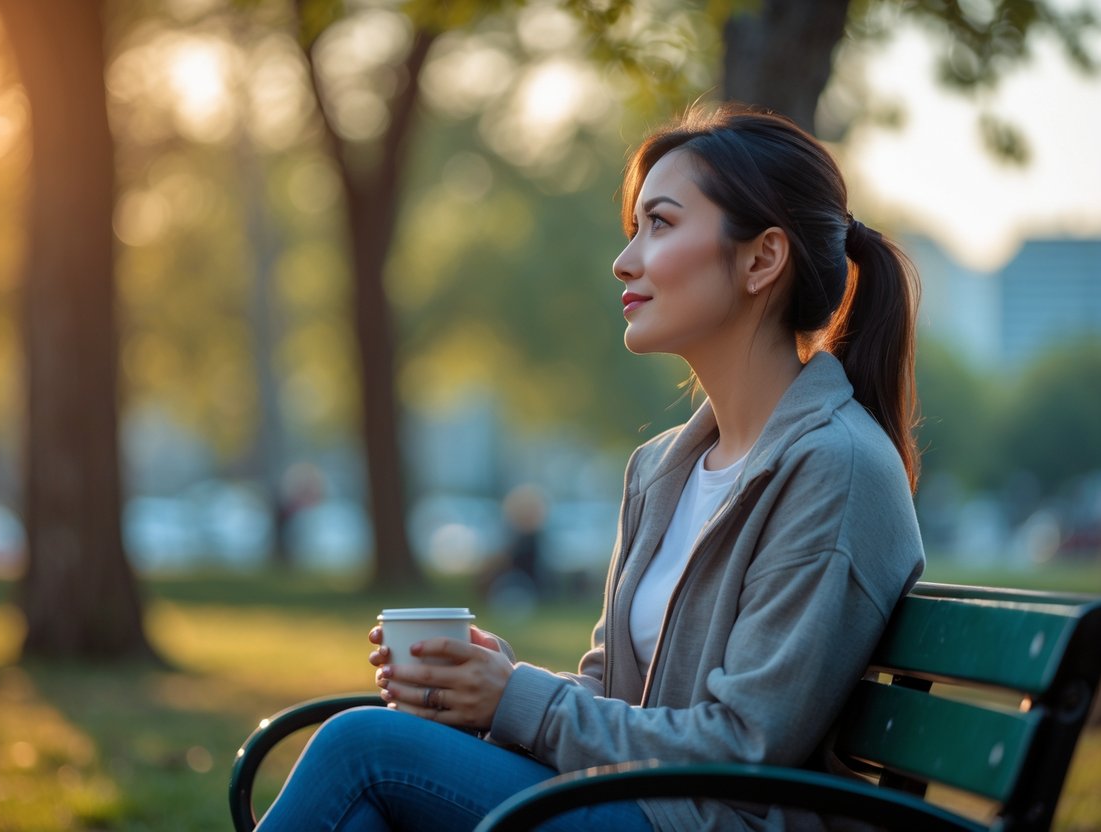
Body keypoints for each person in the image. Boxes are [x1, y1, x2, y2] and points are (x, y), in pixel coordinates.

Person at [255, 103, 926, 832]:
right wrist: (495, 682)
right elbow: (614, 695)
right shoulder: (662, 469)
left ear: (761, 259)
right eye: (633, 228)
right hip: (646, 808)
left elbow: (744, 746)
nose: (624, 260)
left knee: (363, 749)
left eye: (660, 224)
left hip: (715, 823)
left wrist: (514, 699)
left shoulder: (836, 467)